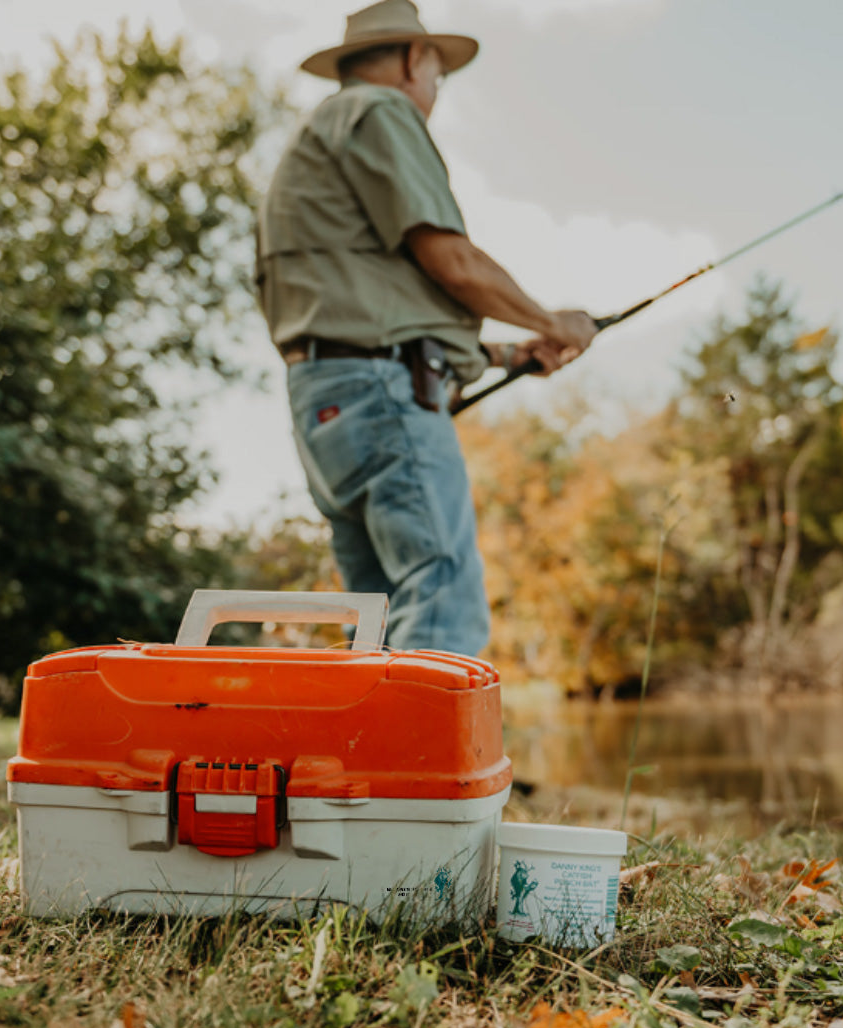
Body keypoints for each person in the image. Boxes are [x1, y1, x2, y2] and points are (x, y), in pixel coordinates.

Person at [255, 0, 597, 656]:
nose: (436, 90)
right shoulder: (380, 111)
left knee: (376, 621)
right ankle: (423, 731)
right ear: (414, 60)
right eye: (439, 74)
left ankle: (377, 730)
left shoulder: (320, 133)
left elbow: (378, 306)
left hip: (325, 401)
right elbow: (452, 262)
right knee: (443, 596)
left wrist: (508, 354)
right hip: (379, 393)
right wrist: (553, 320)